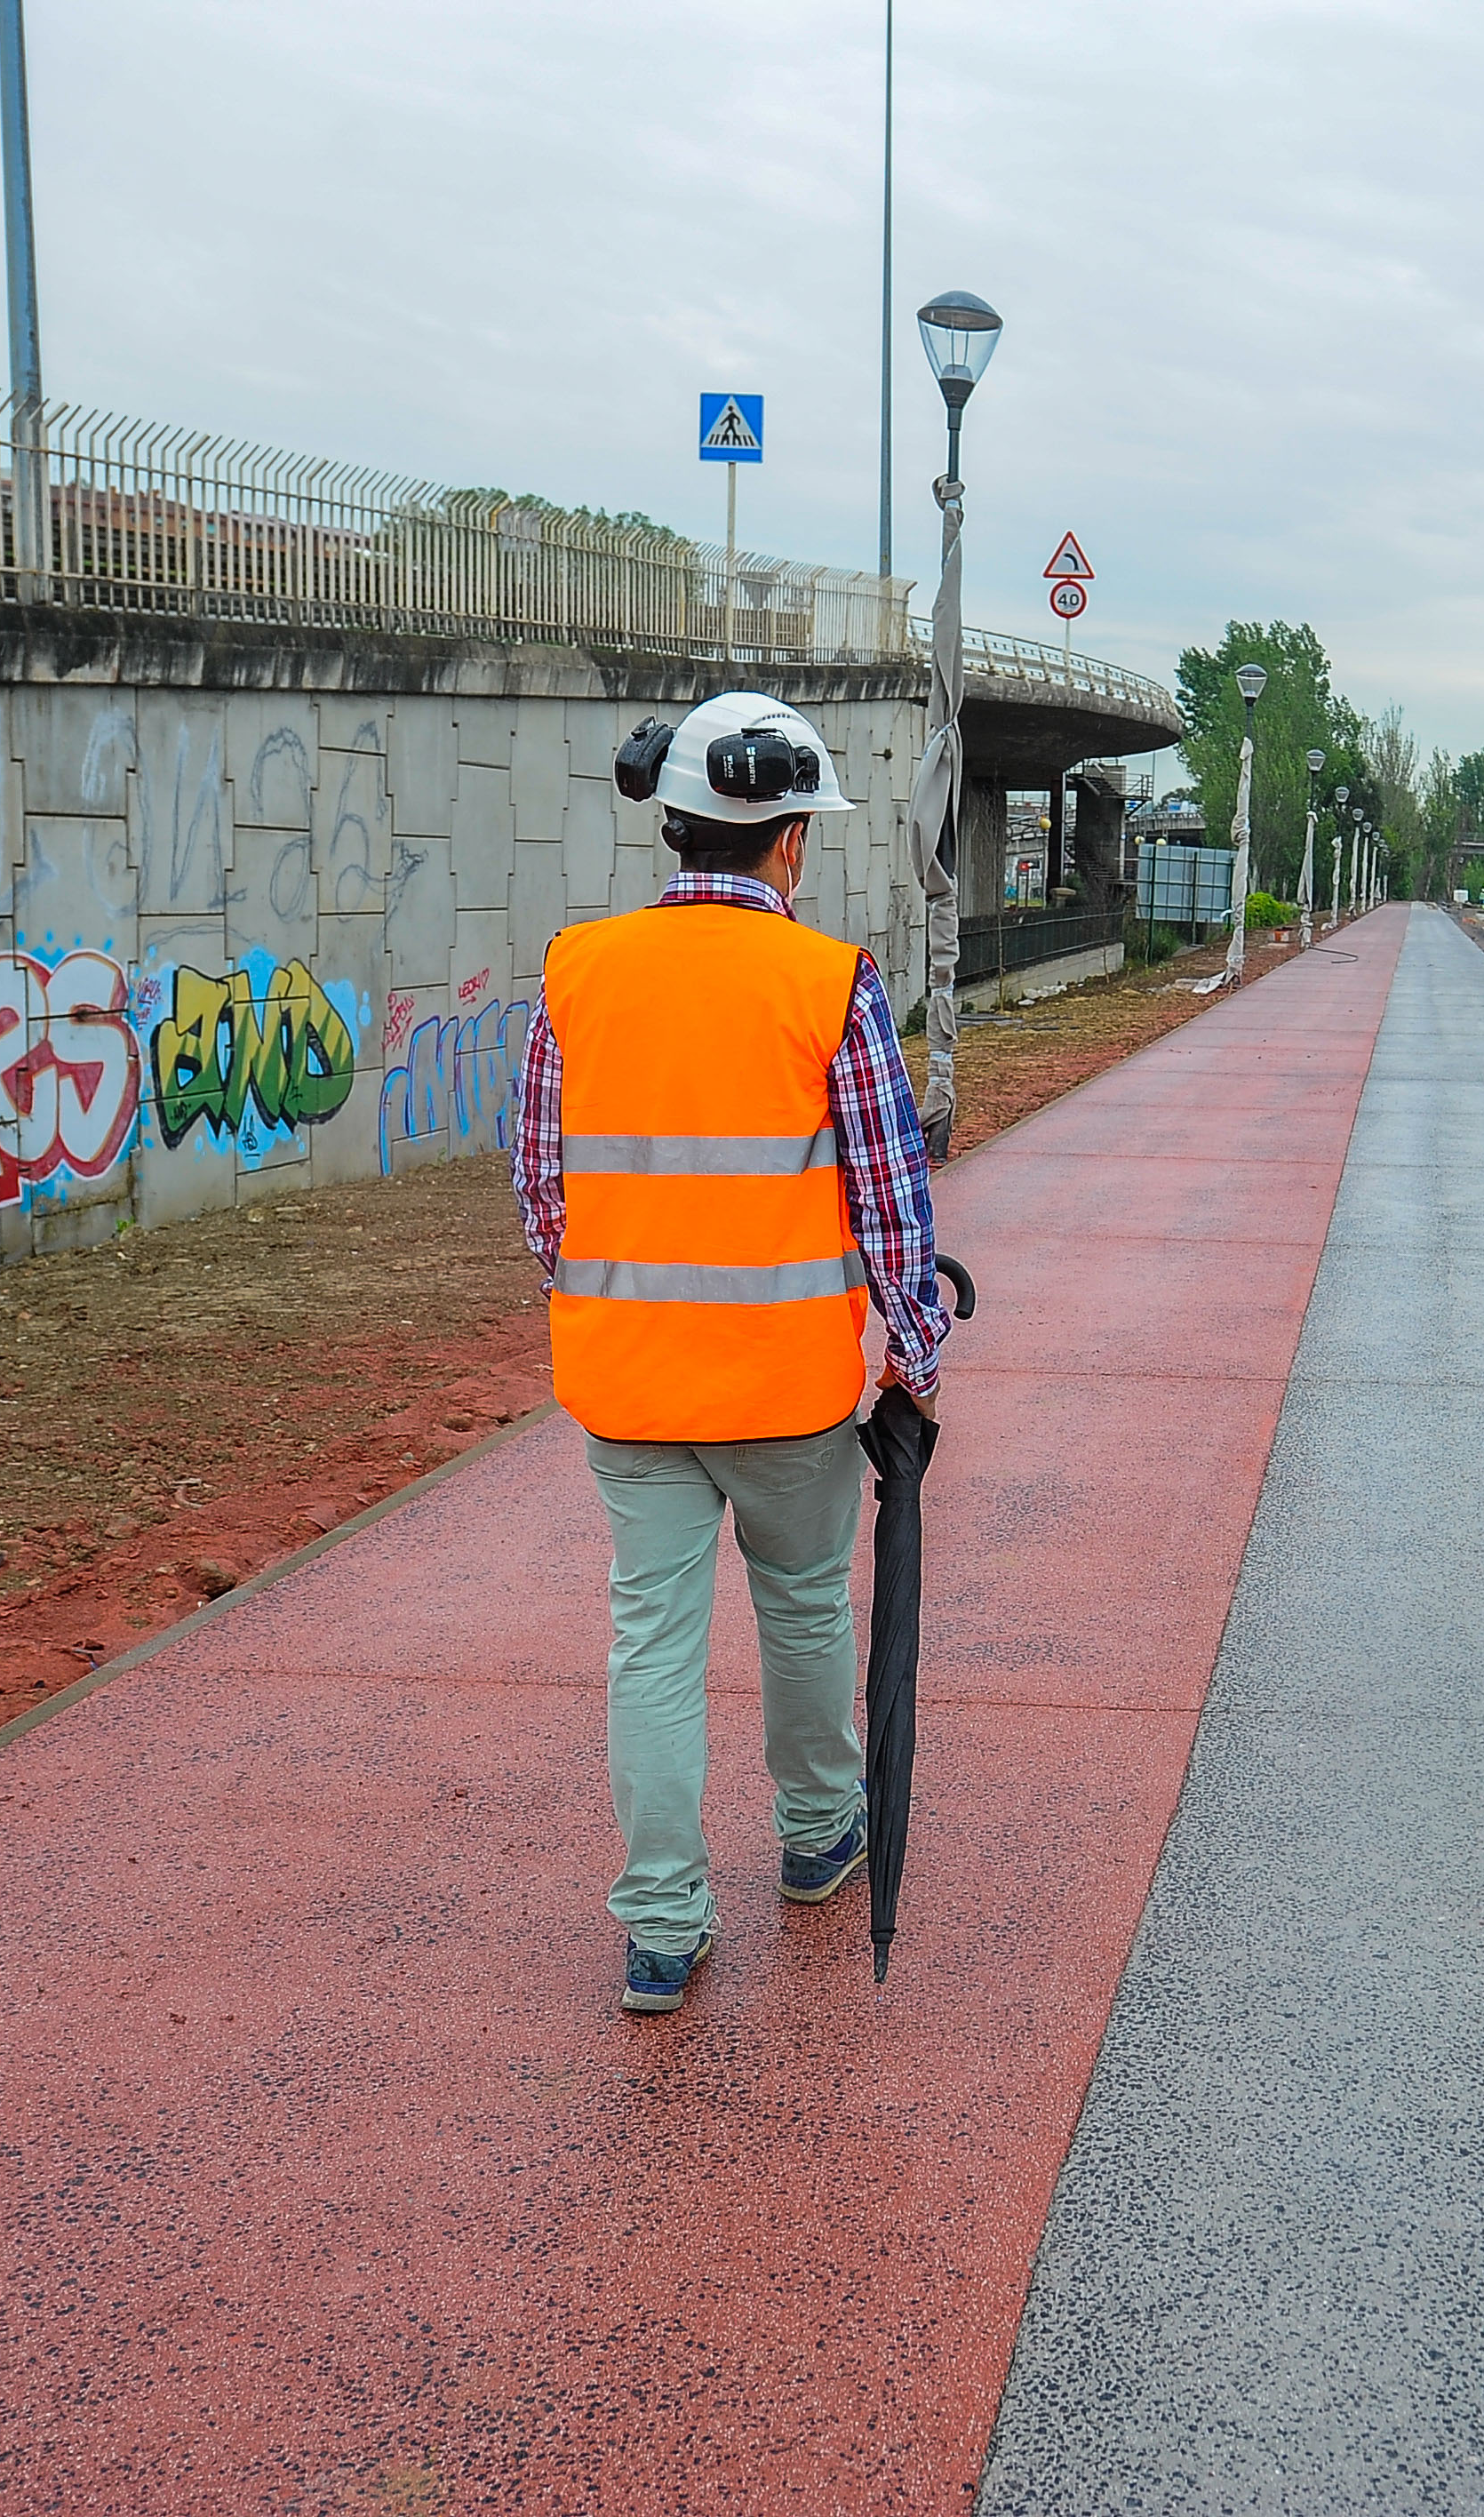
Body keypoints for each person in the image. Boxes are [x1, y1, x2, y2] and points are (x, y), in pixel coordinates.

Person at [510, 691, 950, 2017]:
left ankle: (658, 1925)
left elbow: (543, 1188)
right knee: (805, 1607)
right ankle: (819, 1839)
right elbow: (888, 1195)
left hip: (629, 1388)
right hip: (787, 1391)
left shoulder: (576, 972)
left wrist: (611, 1294)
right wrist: (915, 1349)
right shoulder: (828, 983)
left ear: (678, 833)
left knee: (650, 1642)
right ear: (790, 844)